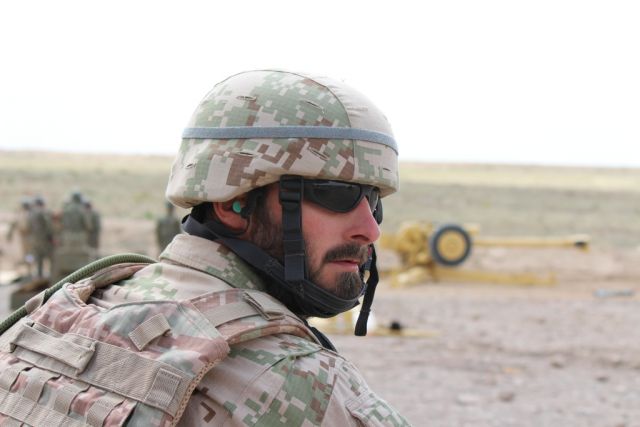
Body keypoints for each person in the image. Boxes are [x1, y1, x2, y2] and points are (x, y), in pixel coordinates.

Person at [0, 70, 409, 426]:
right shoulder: (301, 381)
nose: (370, 230)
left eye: (373, 199)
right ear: (234, 203)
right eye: (335, 194)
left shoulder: (56, 315)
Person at [26, 196, 54, 278]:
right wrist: (50, 236)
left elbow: (28, 226)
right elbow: (48, 225)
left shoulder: (31, 213)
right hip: (43, 239)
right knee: (50, 256)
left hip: (34, 239)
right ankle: (52, 275)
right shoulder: (42, 212)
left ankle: (39, 274)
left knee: (38, 257)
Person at [6, 197, 33, 271]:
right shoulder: (21, 214)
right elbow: (14, 224)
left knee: (29, 254)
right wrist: (9, 235)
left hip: (30, 237)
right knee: (27, 253)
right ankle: (29, 269)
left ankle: (30, 268)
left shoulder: (31, 214)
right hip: (24, 237)